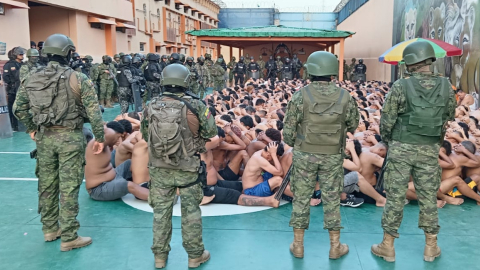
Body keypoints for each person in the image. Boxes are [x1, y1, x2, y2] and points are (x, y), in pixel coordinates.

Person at [13, 33, 105, 251]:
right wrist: (99, 138)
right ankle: (70, 236)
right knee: (69, 186)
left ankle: (50, 229)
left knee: (46, 184)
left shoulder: (31, 77)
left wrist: (33, 128)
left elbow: (18, 109)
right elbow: (94, 114)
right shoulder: (78, 78)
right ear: (68, 52)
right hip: (71, 138)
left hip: (44, 138)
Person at [371, 41, 456, 263]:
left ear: (409, 62)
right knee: (428, 196)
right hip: (429, 148)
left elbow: (387, 121)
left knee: (395, 197)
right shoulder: (446, 86)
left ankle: (387, 246)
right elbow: (448, 115)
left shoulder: (401, 86)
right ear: (429, 60)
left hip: (401, 147)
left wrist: (390, 141)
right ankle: (431, 246)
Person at [283, 51, 359, 260]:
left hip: (305, 155)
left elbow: (288, 135)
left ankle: (298, 245)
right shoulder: (346, 96)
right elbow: (352, 125)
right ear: (332, 72)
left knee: (301, 198)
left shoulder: (300, 95)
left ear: (311, 70)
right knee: (332, 199)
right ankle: (335, 246)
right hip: (333, 155)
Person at [142, 64, 217, 268]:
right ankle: (195, 256)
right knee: (191, 213)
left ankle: (160, 257)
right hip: (188, 168)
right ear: (186, 81)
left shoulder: (151, 104)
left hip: (159, 168)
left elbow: (144, 134)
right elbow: (211, 133)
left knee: (160, 214)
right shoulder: (197, 105)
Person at [85, 121, 148, 201]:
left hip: (115, 175)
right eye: (118, 137)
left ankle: (143, 185)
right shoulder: (96, 144)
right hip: (99, 189)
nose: (119, 140)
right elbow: (105, 130)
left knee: (131, 162)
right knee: (129, 185)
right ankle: (160, 199)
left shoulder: (106, 145)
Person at [3, 46, 24, 131]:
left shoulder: (23, 64)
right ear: (16, 55)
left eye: (22, 54)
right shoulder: (9, 65)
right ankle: (12, 125)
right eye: (20, 54)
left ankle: (19, 125)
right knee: (12, 107)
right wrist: (12, 85)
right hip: (13, 90)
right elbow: (6, 77)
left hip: (22, 89)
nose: (22, 56)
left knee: (20, 107)